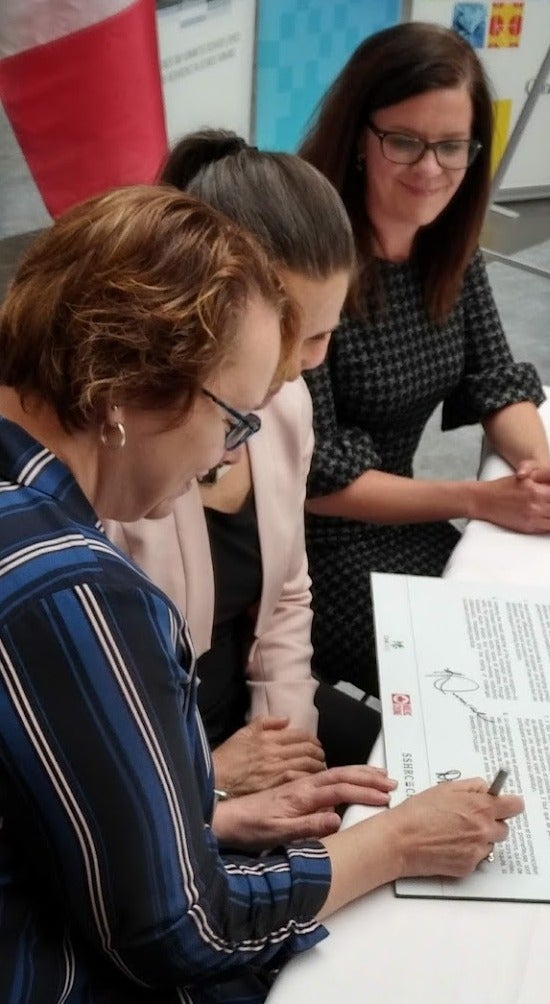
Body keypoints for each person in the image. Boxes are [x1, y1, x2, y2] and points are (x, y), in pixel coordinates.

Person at [0, 185, 524, 1002]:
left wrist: (198, 815)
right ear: (127, 390)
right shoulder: (76, 589)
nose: (220, 459)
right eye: (231, 419)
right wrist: (391, 844)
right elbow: (183, 934)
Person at [300, 22, 550, 695]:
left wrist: (534, 474)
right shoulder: (309, 260)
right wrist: (479, 499)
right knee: (477, 672)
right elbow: (312, 479)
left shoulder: (447, 251)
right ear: (359, 141)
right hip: (307, 552)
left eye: (451, 147)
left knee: (530, 633)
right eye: (404, 142)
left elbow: (496, 381)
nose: (430, 170)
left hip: (405, 516)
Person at [107, 131, 378, 792]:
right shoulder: (123, 449)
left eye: (323, 334)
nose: (298, 365)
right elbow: (95, 715)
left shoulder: (286, 404)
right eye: (287, 332)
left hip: (244, 726)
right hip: (145, 755)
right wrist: (214, 778)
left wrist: (287, 737)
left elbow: (288, 592)